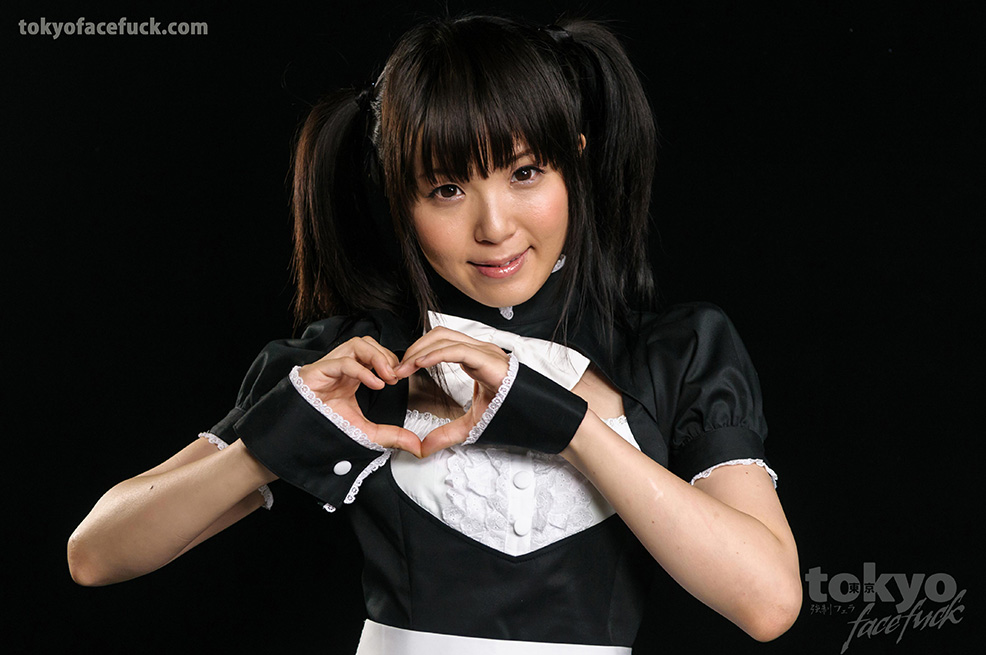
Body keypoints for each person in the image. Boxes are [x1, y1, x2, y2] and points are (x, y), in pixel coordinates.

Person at [67, 14, 801, 653]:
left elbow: (768, 602)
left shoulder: (677, 354)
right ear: (401, 200)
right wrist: (266, 445)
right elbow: (94, 554)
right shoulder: (357, 364)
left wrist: (566, 424)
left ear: (575, 161)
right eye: (447, 189)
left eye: (524, 172)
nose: (494, 226)